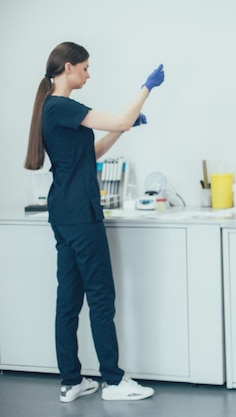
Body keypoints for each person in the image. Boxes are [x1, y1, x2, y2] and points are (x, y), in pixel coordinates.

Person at [24, 42, 164, 402]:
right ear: (68, 68)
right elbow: (117, 117)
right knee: (101, 296)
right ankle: (114, 382)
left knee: (69, 299)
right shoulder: (62, 105)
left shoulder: (52, 109)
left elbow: (93, 153)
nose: (89, 74)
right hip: (81, 216)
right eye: (85, 68)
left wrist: (125, 128)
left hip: (64, 214)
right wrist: (146, 89)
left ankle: (72, 382)